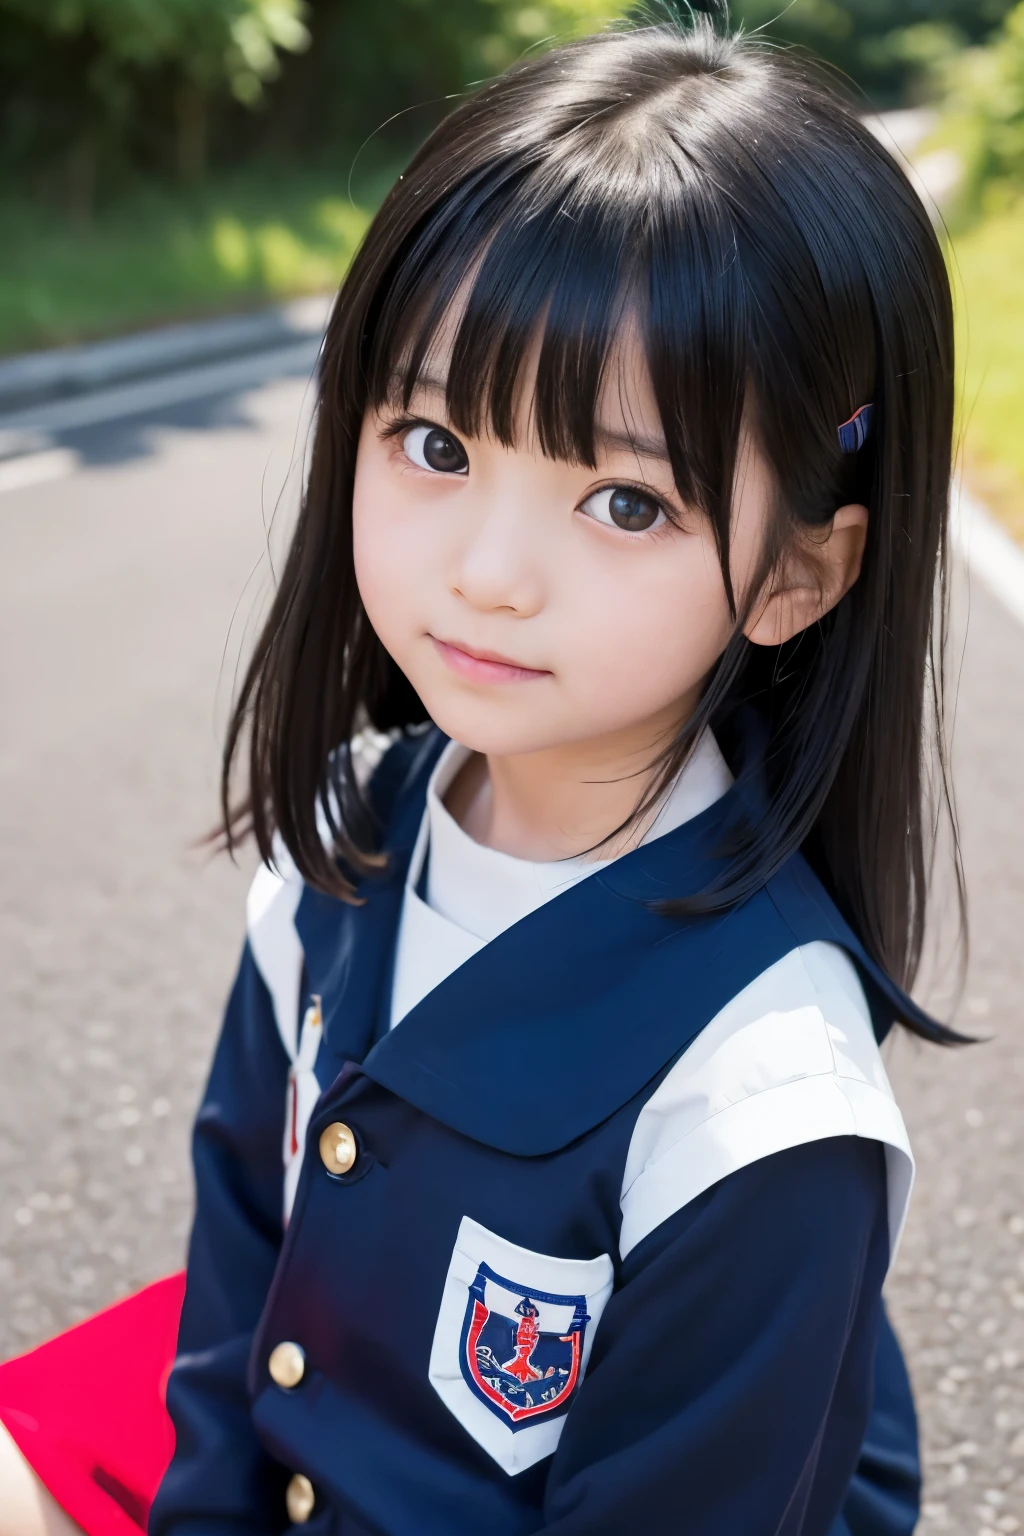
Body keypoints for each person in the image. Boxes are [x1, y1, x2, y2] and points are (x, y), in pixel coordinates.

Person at [0, 15, 966, 1535]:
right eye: (438, 444)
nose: (490, 576)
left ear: (795, 572)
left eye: (624, 501)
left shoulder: (762, 1109)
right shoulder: (344, 839)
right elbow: (237, 1284)